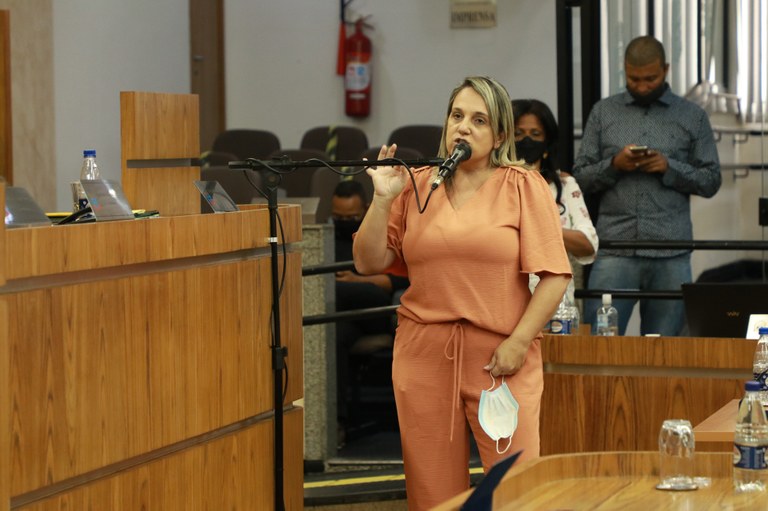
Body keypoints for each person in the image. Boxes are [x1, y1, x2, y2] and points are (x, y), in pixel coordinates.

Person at [352, 76, 571, 510]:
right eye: (457, 116)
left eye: (479, 120)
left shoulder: (523, 185)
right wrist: (381, 199)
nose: (463, 127)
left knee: (516, 490)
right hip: (424, 353)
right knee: (432, 492)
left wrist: (519, 342)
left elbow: (554, 276)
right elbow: (368, 262)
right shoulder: (416, 184)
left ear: (500, 135)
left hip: (500, 356)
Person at [572, 35, 722, 336]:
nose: (641, 86)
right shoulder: (603, 112)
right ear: (624, 70)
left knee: (664, 350)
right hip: (615, 247)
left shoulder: (692, 116)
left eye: (650, 79)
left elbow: (710, 180)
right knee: (598, 346)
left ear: (666, 70)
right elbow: (580, 178)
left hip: (671, 249)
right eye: (634, 79)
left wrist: (669, 167)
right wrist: (614, 165)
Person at [331, 180, 408, 445]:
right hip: (342, 316)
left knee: (344, 291)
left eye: (351, 217)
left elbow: (404, 277)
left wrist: (360, 280)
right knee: (334, 333)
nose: (344, 223)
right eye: (338, 217)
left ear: (364, 208)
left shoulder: (380, 227)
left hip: (377, 309)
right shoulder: (325, 238)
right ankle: (337, 421)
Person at [512, 98, 598, 307]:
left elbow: (588, 245)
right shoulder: (491, 185)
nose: (526, 140)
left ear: (547, 143)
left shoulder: (565, 185)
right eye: (518, 133)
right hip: (506, 300)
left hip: (555, 305)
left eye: (535, 134)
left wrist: (541, 228)